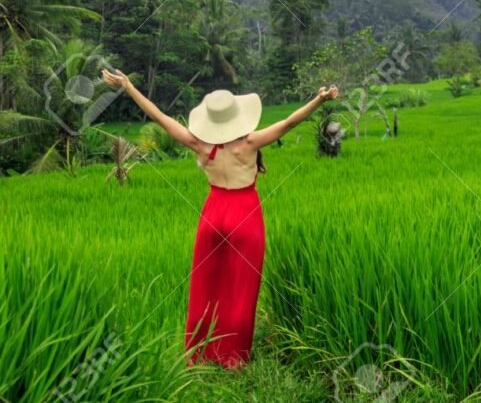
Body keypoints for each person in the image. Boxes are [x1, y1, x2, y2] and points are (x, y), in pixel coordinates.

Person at [101, 69, 338, 368]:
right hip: (245, 213)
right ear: (238, 118)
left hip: (213, 213)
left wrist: (129, 86)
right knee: (242, 287)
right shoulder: (250, 144)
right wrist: (319, 99)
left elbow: (161, 118)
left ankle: (200, 354)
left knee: (206, 285)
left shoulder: (201, 145)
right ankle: (234, 358)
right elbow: (290, 121)